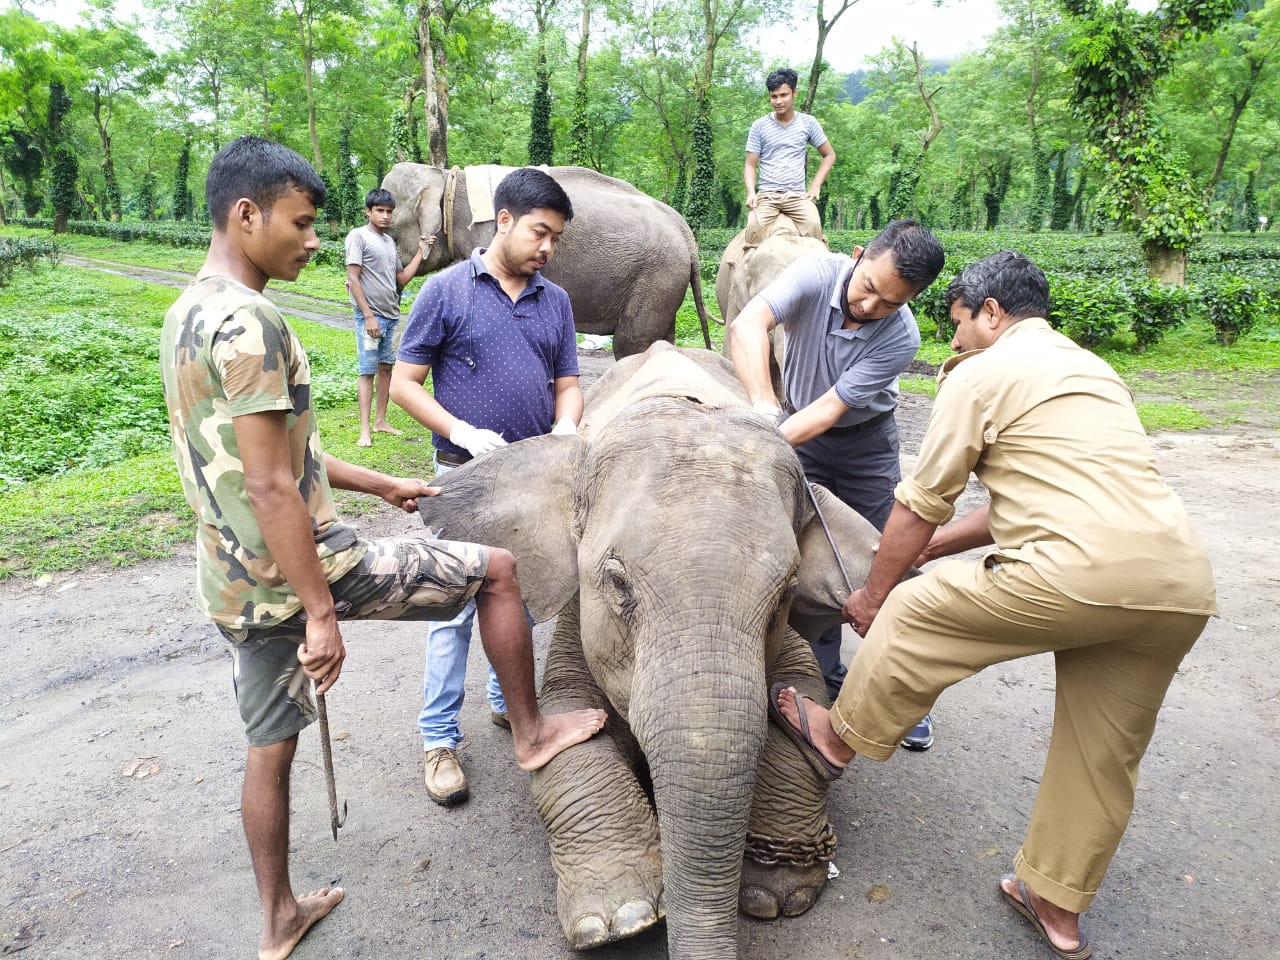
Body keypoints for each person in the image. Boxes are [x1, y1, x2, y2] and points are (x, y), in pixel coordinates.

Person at [159, 137, 605, 960]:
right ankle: (532, 731)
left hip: (232, 580)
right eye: (301, 221)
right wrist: (323, 613)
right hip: (308, 572)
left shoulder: (190, 310)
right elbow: (271, 488)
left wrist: (379, 485)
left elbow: (270, 458)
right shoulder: (253, 322)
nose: (315, 239)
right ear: (246, 213)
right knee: (498, 572)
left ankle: (277, 919)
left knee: (270, 745)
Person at [770, 250, 1216, 960]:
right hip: (1177, 586)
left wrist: (875, 590)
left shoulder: (982, 373)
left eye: (957, 324)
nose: (950, 340)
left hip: (1075, 572)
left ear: (992, 313)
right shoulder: (1094, 372)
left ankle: (836, 736)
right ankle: (1056, 903)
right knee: (1101, 755)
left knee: (915, 614)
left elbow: (921, 501)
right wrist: (934, 548)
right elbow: (1027, 500)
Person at [389, 167, 583, 807]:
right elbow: (403, 385)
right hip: (464, 479)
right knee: (451, 611)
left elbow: (568, 384)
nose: (547, 248)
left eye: (555, 238)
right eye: (539, 232)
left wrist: (566, 426)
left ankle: (508, 702)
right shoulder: (446, 291)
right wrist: (463, 431)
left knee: (522, 599)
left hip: (532, 479)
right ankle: (438, 741)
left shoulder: (554, 301)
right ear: (503, 220)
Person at [729, 218, 944, 750]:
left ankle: (897, 702)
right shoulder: (815, 274)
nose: (870, 307)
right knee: (806, 556)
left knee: (889, 563)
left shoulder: (902, 336)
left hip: (864, 444)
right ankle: (820, 682)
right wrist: (762, 406)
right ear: (856, 256)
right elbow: (749, 324)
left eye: (889, 303)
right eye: (868, 288)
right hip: (793, 423)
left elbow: (830, 411)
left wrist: (767, 442)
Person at [344, 187, 431, 447]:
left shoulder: (389, 242)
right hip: (370, 318)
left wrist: (420, 252)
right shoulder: (357, 237)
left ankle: (380, 422)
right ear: (368, 211)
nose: (385, 216)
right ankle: (364, 430)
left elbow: (402, 278)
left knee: (385, 369)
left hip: (391, 316)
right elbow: (353, 278)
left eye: (389, 212)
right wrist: (368, 316)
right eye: (379, 211)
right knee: (367, 371)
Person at [743, 67, 836, 247]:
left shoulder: (808, 123)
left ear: (794, 93)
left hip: (797, 196)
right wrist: (751, 192)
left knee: (814, 226)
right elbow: (750, 165)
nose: (778, 101)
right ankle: (742, 272)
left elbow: (829, 155)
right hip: (767, 196)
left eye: (783, 95)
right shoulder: (759, 126)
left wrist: (815, 186)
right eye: (773, 96)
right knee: (753, 229)